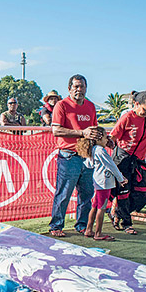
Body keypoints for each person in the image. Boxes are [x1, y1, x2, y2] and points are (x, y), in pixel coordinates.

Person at [48, 74, 103, 237]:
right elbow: (56, 130)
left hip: (87, 156)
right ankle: (56, 226)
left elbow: (94, 129)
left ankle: (82, 225)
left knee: (87, 194)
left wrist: (103, 140)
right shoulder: (61, 105)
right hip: (69, 156)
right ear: (69, 88)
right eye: (76, 86)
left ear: (86, 88)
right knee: (64, 193)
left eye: (82, 86)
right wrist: (82, 133)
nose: (79, 89)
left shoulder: (90, 106)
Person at [109, 91, 146, 235]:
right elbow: (113, 137)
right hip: (123, 158)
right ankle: (127, 224)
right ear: (136, 104)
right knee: (124, 192)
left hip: (139, 160)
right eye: (145, 109)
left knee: (145, 194)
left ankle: (117, 213)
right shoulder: (127, 117)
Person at [77, 131, 127, 242]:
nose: (107, 140)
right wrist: (121, 178)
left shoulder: (94, 149)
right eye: (105, 137)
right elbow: (111, 165)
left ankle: (89, 230)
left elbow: (89, 164)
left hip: (98, 180)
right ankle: (98, 233)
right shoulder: (100, 150)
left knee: (95, 206)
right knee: (101, 208)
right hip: (104, 182)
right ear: (99, 139)